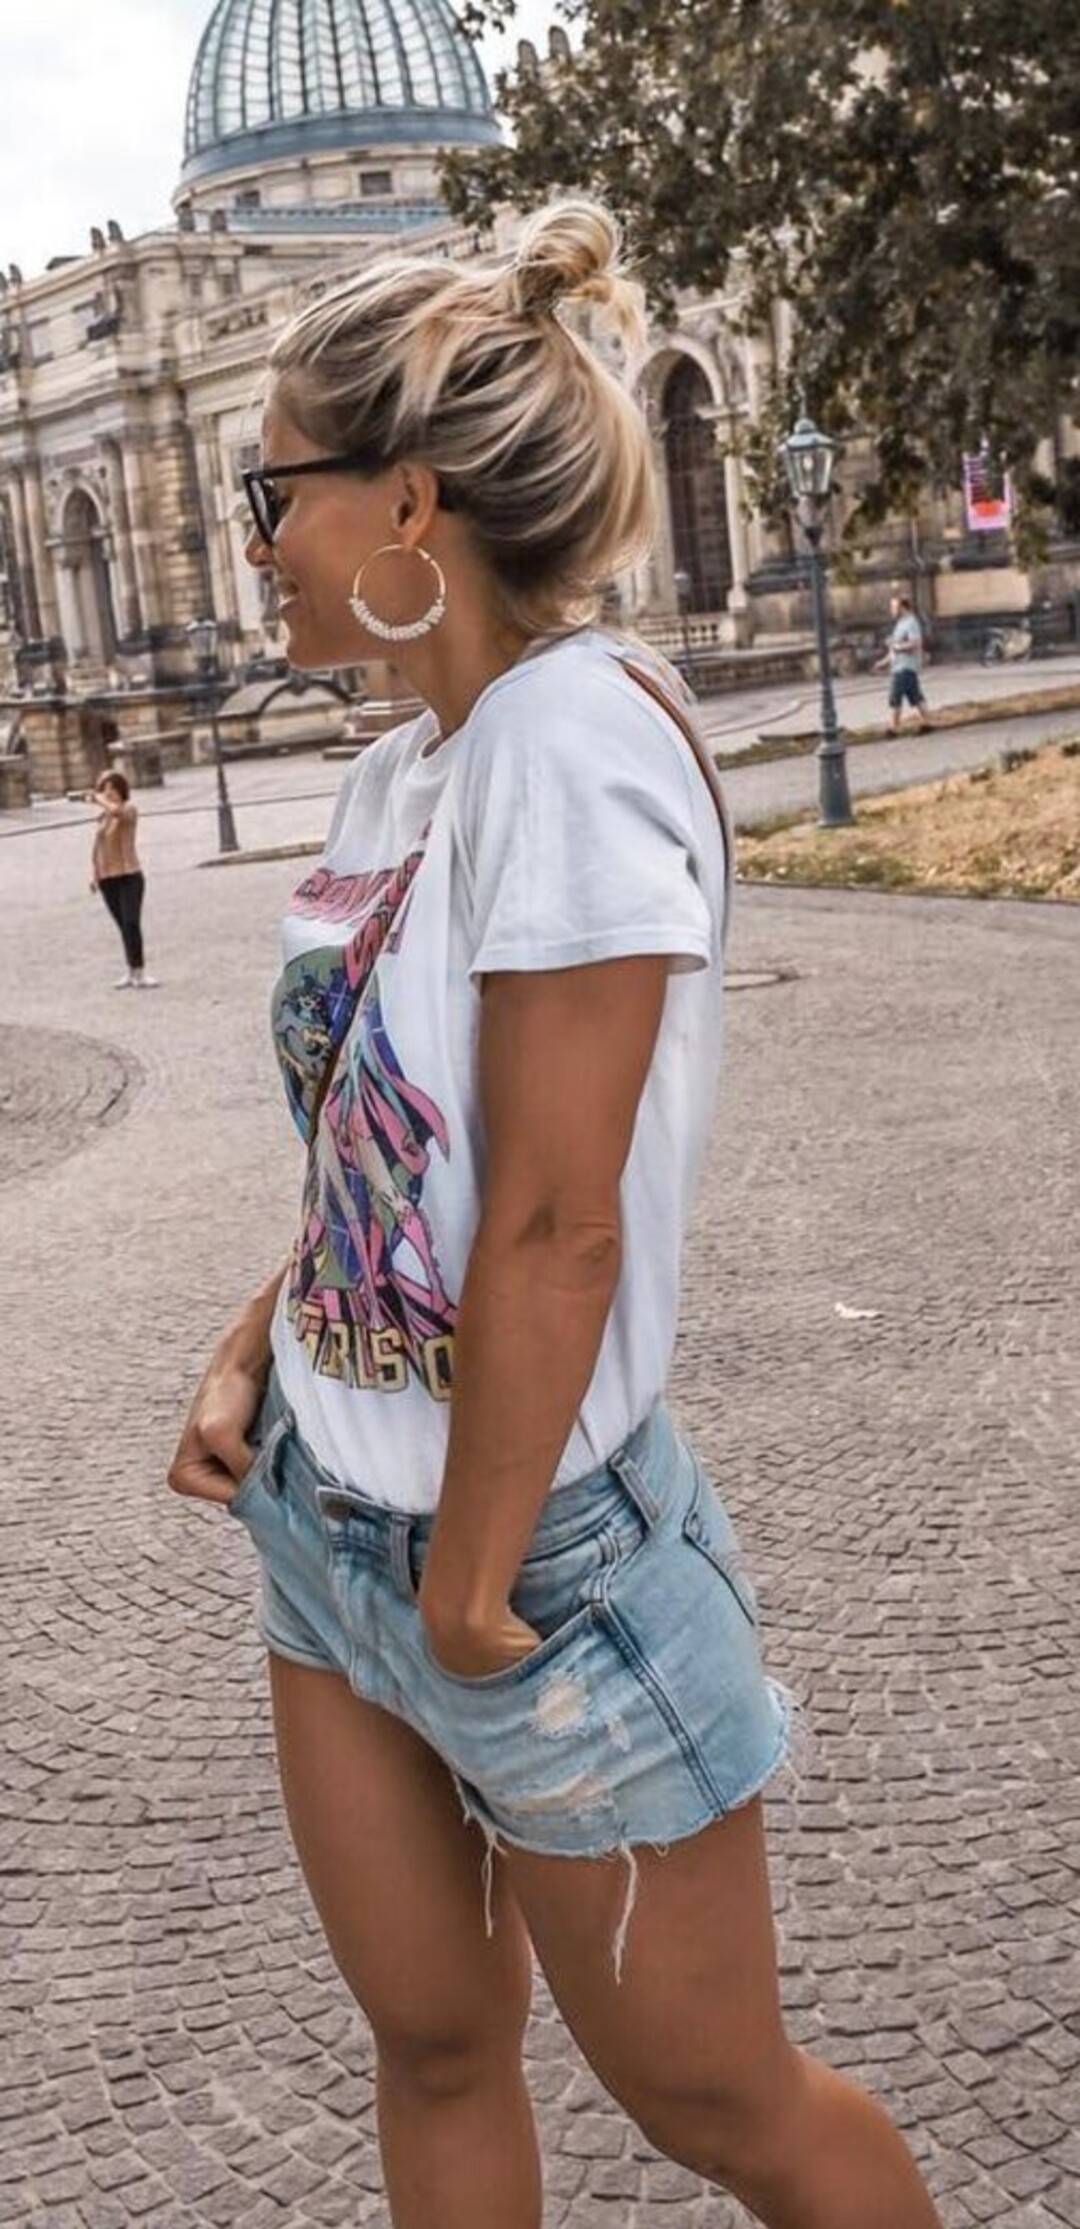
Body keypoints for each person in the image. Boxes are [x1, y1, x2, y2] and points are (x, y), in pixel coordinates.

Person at [168, 202, 943, 2229]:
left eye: (274, 490)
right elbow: (388, 1147)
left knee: (727, 2102)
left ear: (408, 497)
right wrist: (258, 1339)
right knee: (433, 2047)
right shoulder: (402, 773)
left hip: (535, 1561)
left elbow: (554, 1220)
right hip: (327, 1521)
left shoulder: (573, 738)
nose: (254, 539)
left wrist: (471, 1583)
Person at [88, 770, 158, 987]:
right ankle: (131, 971)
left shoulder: (129, 810)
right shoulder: (103, 818)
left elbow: (117, 812)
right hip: (107, 878)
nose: (108, 792)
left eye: (112, 788)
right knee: (123, 926)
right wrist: (95, 874)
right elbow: (98, 848)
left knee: (131, 923)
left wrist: (98, 799)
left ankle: (141, 972)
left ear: (121, 790)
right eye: (104, 788)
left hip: (129, 875)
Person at [878, 591, 932, 735]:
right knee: (916, 697)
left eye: (894, 607)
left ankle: (893, 728)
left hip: (905, 667)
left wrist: (897, 647)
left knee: (895, 696)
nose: (891, 610)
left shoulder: (911, 622)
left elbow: (915, 643)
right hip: (900, 666)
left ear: (902, 608)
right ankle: (927, 723)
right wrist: (884, 661)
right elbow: (894, 648)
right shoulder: (900, 624)